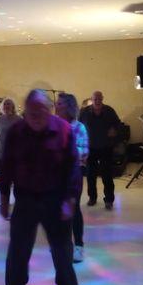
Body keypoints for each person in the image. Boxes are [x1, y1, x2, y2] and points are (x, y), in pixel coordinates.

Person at [0, 89, 81, 285]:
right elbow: (7, 166)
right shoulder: (16, 132)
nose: (35, 115)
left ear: (50, 109)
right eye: (30, 110)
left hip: (55, 198)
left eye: (40, 109)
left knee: (62, 250)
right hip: (26, 199)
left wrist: (70, 198)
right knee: (18, 250)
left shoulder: (63, 130)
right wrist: (4, 197)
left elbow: (73, 167)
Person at [56, 93, 89, 263]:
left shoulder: (79, 128)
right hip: (56, 176)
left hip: (73, 175)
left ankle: (79, 245)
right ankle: (64, 244)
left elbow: (83, 153)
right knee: (59, 209)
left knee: (73, 208)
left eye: (60, 104)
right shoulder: (52, 126)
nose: (56, 106)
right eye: (56, 103)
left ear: (69, 106)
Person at [79, 91, 120, 210]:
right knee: (90, 175)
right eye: (95, 99)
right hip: (90, 148)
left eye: (99, 99)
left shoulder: (109, 111)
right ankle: (92, 198)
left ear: (102, 99)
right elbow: (79, 126)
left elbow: (118, 125)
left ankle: (109, 200)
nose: (97, 101)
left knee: (107, 175)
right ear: (92, 99)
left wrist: (114, 131)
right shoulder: (84, 112)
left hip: (106, 147)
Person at [0, 97, 22, 165]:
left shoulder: (19, 119)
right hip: (0, 151)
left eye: (8, 104)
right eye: (5, 104)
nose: (6, 106)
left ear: (13, 106)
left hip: (14, 152)